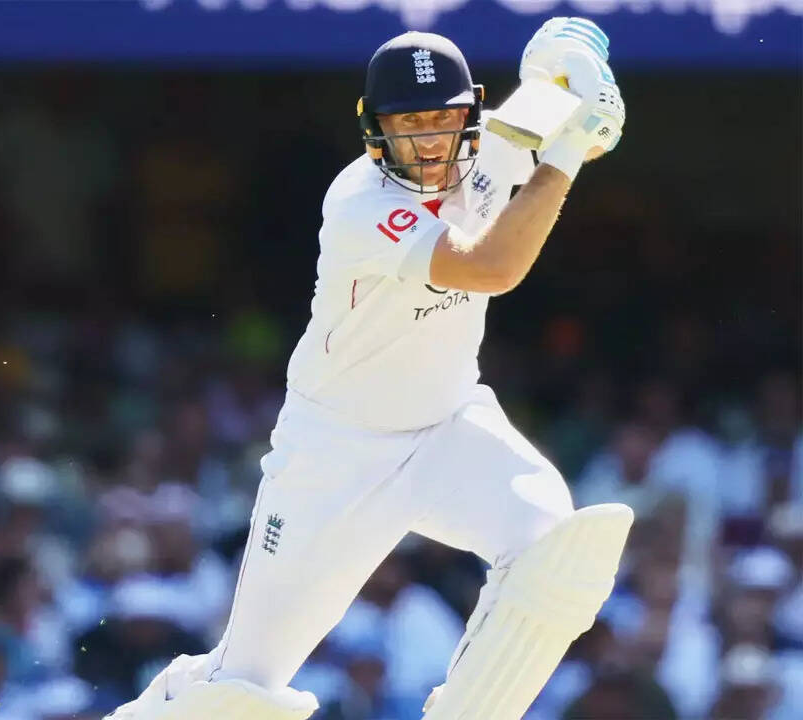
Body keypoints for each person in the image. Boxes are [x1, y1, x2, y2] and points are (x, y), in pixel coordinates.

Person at [109, 17, 631, 720]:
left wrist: (579, 70)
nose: (426, 142)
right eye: (407, 124)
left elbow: (564, 100)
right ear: (372, 128)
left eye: (442, 121)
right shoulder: (363, 204)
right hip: (336, 455)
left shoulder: (491, 148)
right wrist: (567, 151)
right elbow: (494, 267)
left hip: (449, 427)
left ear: (472, 113)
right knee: (242, 691)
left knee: (556, 555)